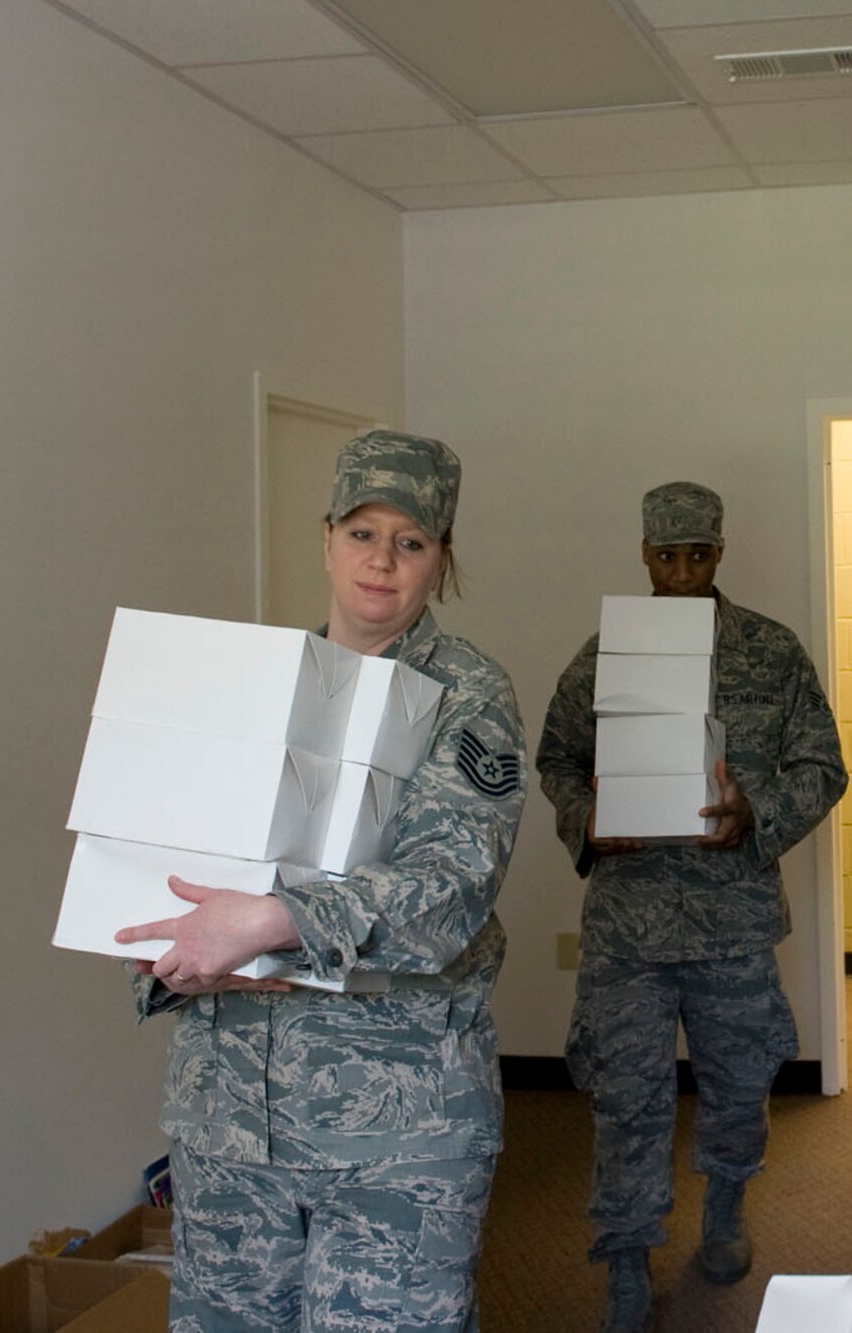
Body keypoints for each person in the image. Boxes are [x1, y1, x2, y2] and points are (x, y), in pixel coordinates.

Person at [113, 431, 528, 1331]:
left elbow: (450, 883)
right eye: (361, 532)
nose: (381, 560)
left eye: (411, 541)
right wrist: (167, 953)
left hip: (393, 1134)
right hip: (229, 1121)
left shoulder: (466, 694)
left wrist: (273, 919)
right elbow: (180, 863)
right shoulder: (255, 685)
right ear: (326, 538)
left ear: (441, 559)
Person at [537, 481, 846, 1333]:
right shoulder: (605, 655)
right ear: (644, 553)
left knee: (741, 1083)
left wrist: (760, 810)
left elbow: (824, 764)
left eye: (698, 554)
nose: (681, 572)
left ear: (719, 553)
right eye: (666, 555)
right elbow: (556, 758)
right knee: (625, 1097)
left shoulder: (770, 651)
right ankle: (628, 1260)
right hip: (628, 929)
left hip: (733, 920)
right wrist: (586, 820)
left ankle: (725, 1208)